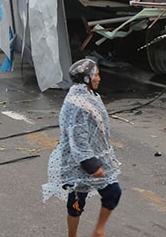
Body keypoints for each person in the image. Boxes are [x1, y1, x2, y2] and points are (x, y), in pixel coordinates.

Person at [43, 59, 122, 237]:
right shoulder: (77, 103)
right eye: (96, 75)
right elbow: (77, 139)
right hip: (77, 163)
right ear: (87, 78)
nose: (99, 78)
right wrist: (92, 166)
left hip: (97, 155)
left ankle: (98, 230)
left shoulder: (90, 95)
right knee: (76, 204)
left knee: (113, 193)